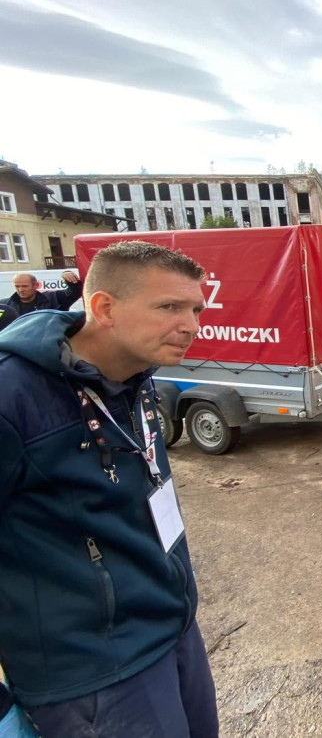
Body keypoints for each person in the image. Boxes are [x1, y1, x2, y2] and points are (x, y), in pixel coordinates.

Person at [0, 241, 219, 736]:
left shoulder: (136, 378)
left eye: (195, 308)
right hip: (94, 673)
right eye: (168, 307)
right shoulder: (13, 396)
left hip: (173, 629)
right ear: (103, 308)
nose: (191, 324)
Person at [3, 270, 82, 318]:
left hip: (48, 343)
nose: (20, 290)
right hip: (16, 344)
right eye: (17, 286)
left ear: (36, 285)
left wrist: (67, 275)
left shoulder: (54, 298)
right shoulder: (4, 306)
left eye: (25, 286)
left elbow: (76, 291)